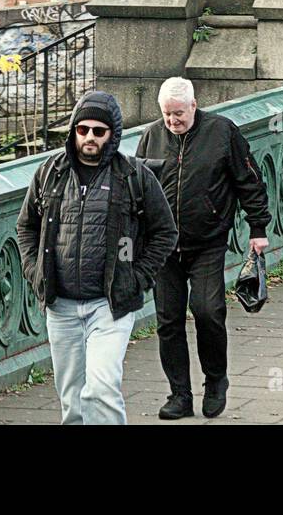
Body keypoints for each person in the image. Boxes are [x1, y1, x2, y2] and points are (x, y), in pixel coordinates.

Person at [16, 91, 177, 425]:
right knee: (72, 400)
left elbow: (165, 232)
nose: (89, 137)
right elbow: (26, 225)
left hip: (109, 306)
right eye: (82, 129)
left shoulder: (133, 176)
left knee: (101, 389)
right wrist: (34, 271)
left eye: (98, 131)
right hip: (61, 306)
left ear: (112, 135)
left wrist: (138, 276)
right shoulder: (51, 172)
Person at [135, 77, 271, 421]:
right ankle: (179, 394)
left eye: (178, 114)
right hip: (163, 245)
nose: (172, 122)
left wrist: (258, 228)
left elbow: (249, 181)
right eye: (167, 115)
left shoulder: (222, 132)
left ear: (193, 105)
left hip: (208, 240)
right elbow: (136, 189)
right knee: (168, 320)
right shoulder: (152, 136)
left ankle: (215, 380)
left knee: (208, 311)